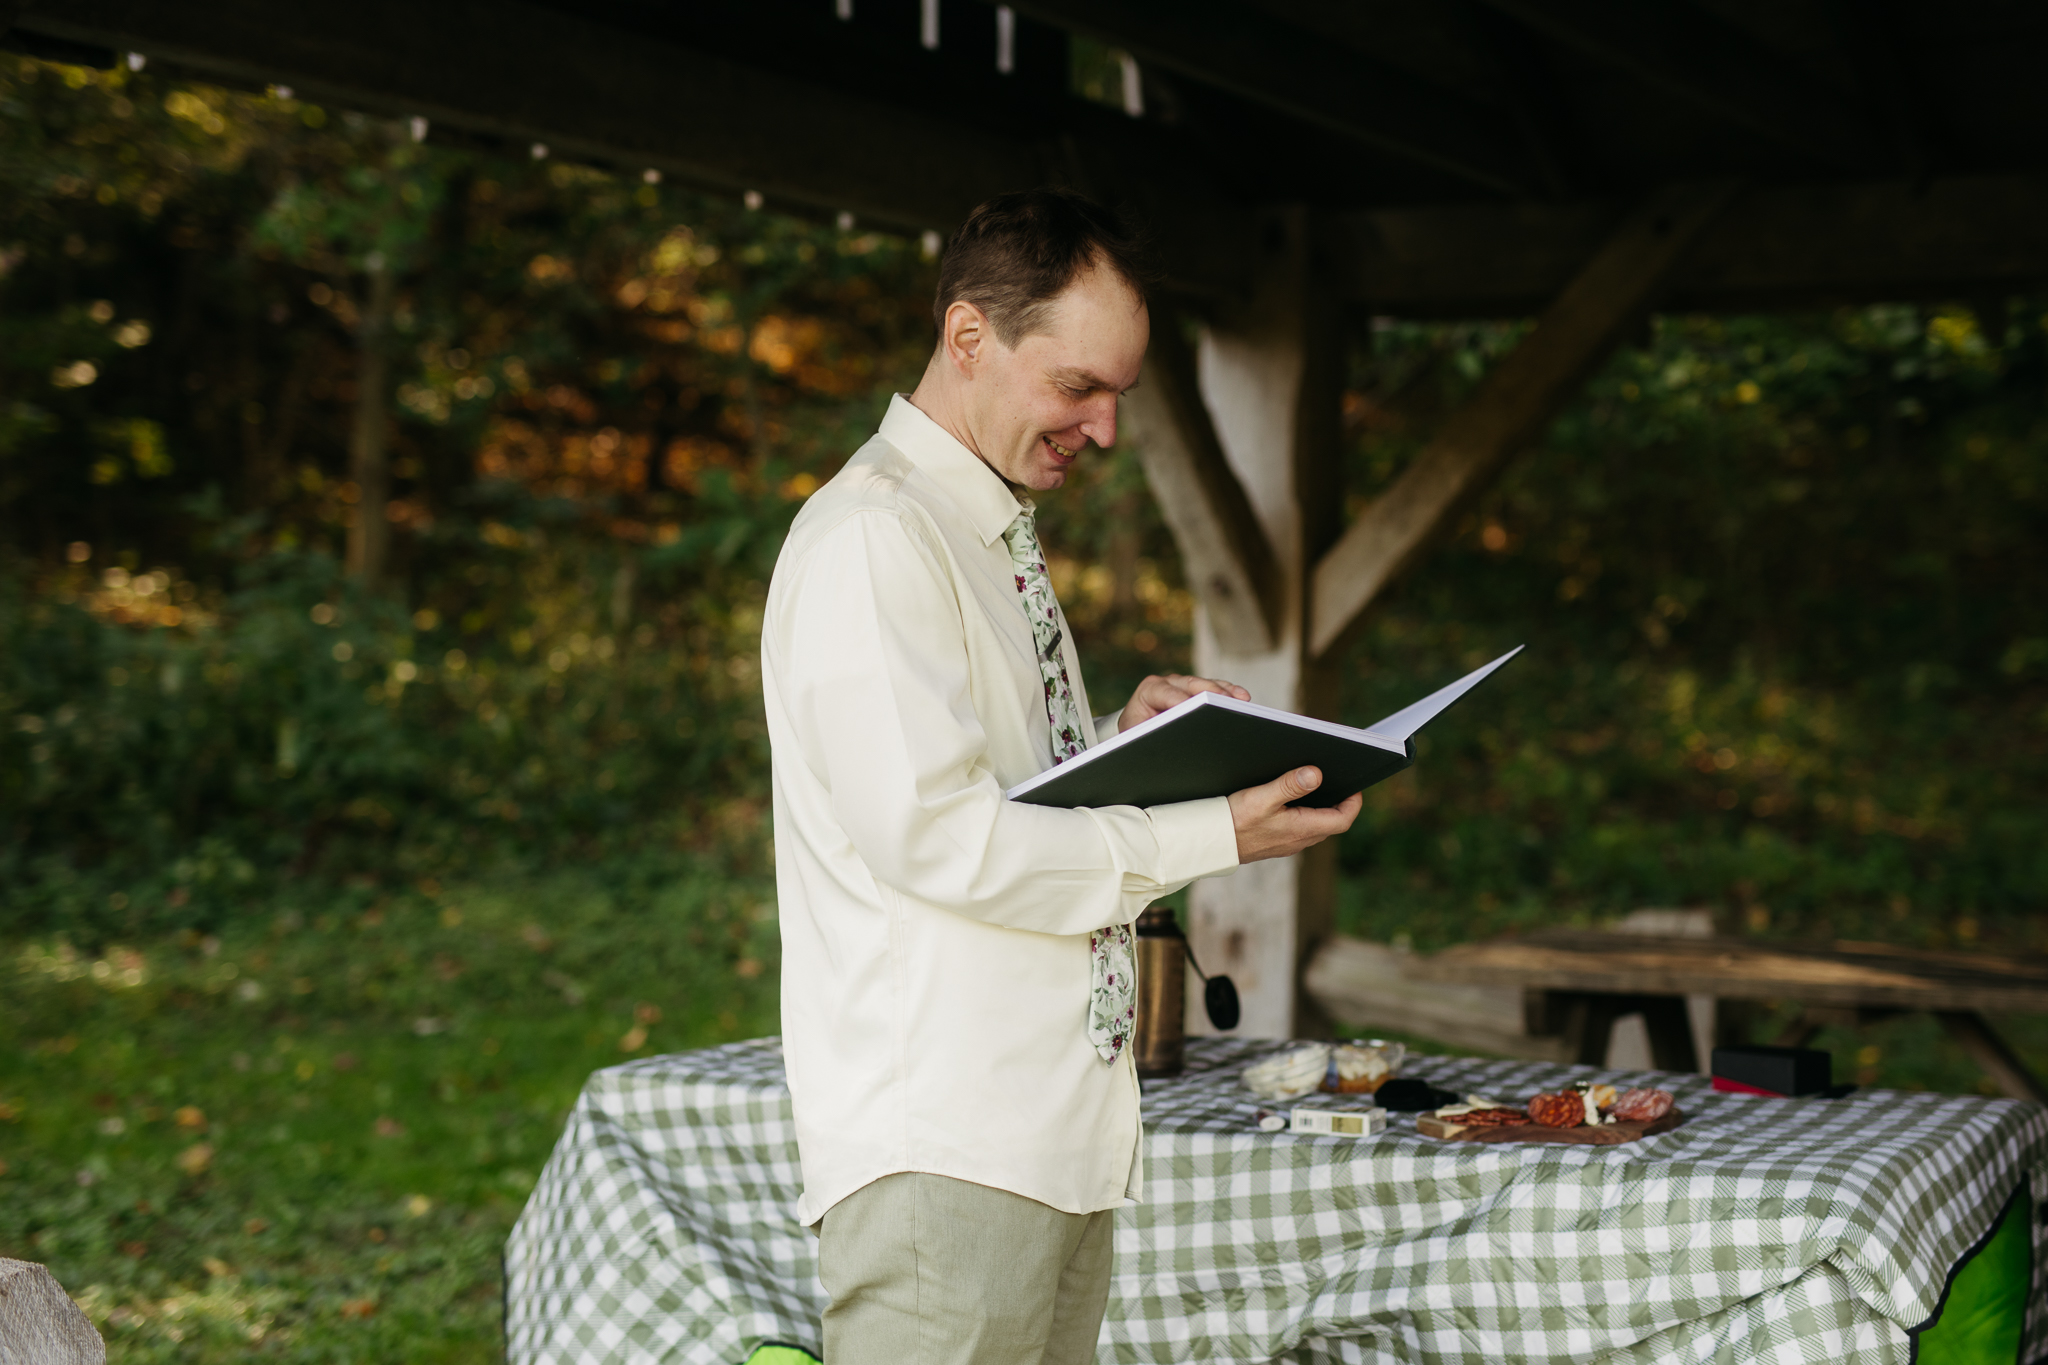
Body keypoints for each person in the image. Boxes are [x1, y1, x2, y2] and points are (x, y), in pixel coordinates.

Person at [760, 189, 1361, 1365]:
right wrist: (1209, 834)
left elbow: (995, 789)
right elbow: (941, 839)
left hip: (1042, 1133)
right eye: (1077, 387)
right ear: (968, 335)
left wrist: (1105, 742)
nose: (1103, 429)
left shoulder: (979, 529)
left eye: (1117, 396)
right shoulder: (875, 539)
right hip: (944, 1141)